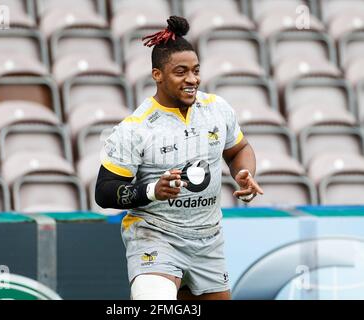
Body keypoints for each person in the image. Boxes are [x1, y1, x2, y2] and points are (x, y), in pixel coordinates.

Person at [95, 16, 264, 300]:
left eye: (196, 71)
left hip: (208, 240)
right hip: (156, 236)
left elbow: (238, 149)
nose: (192, 79)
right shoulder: (135, 128)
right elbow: (104, 191)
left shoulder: (217, 109)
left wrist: (243, 174)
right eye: (181, 72)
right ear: (157, 75)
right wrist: (152, 191)